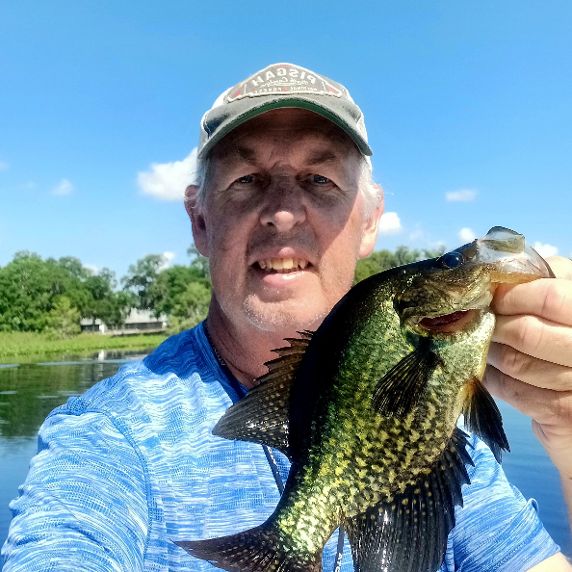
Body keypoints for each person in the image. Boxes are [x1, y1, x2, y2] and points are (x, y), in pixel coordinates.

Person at [2, 62, 571, 571]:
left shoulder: (437, 423)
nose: (281, 213)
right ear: (200, 223)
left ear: (370, 222)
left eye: (319, 180)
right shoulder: (107, 436)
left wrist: (566, 430)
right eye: (246, 181)